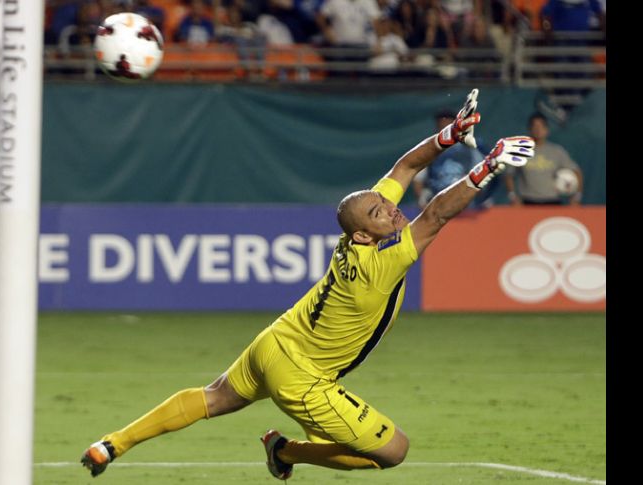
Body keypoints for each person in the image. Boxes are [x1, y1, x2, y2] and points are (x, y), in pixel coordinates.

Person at [80, 89, 535, 479]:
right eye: (380, 213)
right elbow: (435, 214)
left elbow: (402, 170)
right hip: (301, 376)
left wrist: (449, 137)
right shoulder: (382, 262)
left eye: (385, 205)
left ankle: (111, 444)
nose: (391, 210)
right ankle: (285, 450)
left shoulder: (361, 230)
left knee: (214, 397)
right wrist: (486, 169)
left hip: (275, 340)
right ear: (362, 233)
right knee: (392, 452)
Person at [413, 109, 494, 208]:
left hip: (464, 201)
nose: (443, 129)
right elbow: (418, 178)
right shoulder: (430, 147)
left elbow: (481, 173)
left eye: (447, 126)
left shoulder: (468, 147)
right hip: (438, 201)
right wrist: (421, 200)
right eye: (441, 126)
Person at [504, 112, 582, 205]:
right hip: (527, 202)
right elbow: (508, 174)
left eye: (541, 126)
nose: (538, 130)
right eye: (535, 126)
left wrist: (577, 196)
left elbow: (576, 171)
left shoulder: (556, 151)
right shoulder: (521, 151)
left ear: (547, 130)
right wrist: (512, 196)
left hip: (552, 201)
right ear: (530, 129)